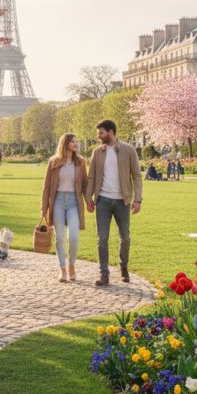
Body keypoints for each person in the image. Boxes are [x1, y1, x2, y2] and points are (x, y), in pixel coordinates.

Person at [85, 119, 143, 286]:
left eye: (101, 133)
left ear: (110, 132)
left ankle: (123, 267)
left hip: (122, 201)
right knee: (102, 238)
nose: (99, 136)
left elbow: (137, 176)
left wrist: (137, 199)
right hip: (102, 200)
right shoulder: (97, 152)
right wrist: (89, 198)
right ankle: (104, 274)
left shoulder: (128, 150)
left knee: (125, 238)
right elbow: (92, 176)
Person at [41, 133, 88, 283]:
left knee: (73, 237)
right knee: (60, 237)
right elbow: (46, 186)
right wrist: (44, 208)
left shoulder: (81, 162)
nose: (76, 144)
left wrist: (89, 201)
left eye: (76, 141)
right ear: (65, 143)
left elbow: (85, 184)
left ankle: (72, 265)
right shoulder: (53, 162)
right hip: (58, 202)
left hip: (74, 201)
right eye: (73, 141)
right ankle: (62, 270)